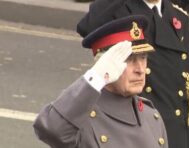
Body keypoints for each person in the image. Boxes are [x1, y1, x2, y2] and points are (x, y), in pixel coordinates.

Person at [76, 0, 189, 148]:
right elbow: (86, 27)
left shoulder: (179, 17)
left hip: (174, 132)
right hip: (140, 129)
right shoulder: (117, 10)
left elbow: (187, 91)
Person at [33, 15, 169, 148]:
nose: (140, 69)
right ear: (104, 64)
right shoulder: (79, 115)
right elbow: (50, 129)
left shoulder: (151, 116)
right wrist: (96, 77)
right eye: (129, 59)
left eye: (143, 57)